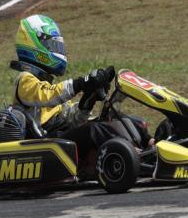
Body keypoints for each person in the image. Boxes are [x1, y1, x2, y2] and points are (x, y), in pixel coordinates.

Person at [9, 14, 151, 177]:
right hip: (45, 144)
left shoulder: (48, 87)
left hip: (61, 139)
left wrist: (87, 101)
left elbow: (73, 119)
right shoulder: (25, 80)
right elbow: (47, 95)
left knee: (114, 118)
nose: (56, 50)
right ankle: (134, 155)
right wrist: (79, 84)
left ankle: (151, 144)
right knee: (93, 130)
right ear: (33, 45)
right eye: (51, 45)